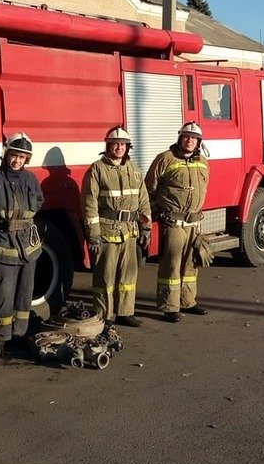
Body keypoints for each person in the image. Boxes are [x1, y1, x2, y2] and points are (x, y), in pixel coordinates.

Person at [81, 126, 151, 328]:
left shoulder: (134, 169)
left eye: (123, 144)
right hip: (106, 232)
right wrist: (93, 235)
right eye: (115, 144)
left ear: (128, 147)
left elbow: (144, 200)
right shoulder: (97, 169)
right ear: (108, 146)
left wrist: (146, 229)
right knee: (106, 277)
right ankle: (104, 316)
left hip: (129, 231)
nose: (119, 147)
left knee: (128, 276)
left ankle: (125, 312)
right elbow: (89, 204)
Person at [0, 132, 44, 356]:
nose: (17, 160)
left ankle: (19, 334)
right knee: (2, 295)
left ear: (26, 159)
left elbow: (39, 201)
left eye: (21, 157)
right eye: (14, 155)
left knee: (24, 295)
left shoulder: (31, 179)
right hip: (4, 245)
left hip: (28, 248)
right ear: (6, 155)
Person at [145, 121, 210, 323]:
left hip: (194, 222)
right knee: (171, 265)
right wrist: (158, 212)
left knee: (191, 264)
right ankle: (169, 306)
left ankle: (188, 301)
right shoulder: (165, 159)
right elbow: (150, 188)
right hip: (173, 222)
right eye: (186, 137)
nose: (189, 141)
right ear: (180, 138)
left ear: (199, 142)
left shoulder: (202, 161)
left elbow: (204, 186)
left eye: (194, 138)